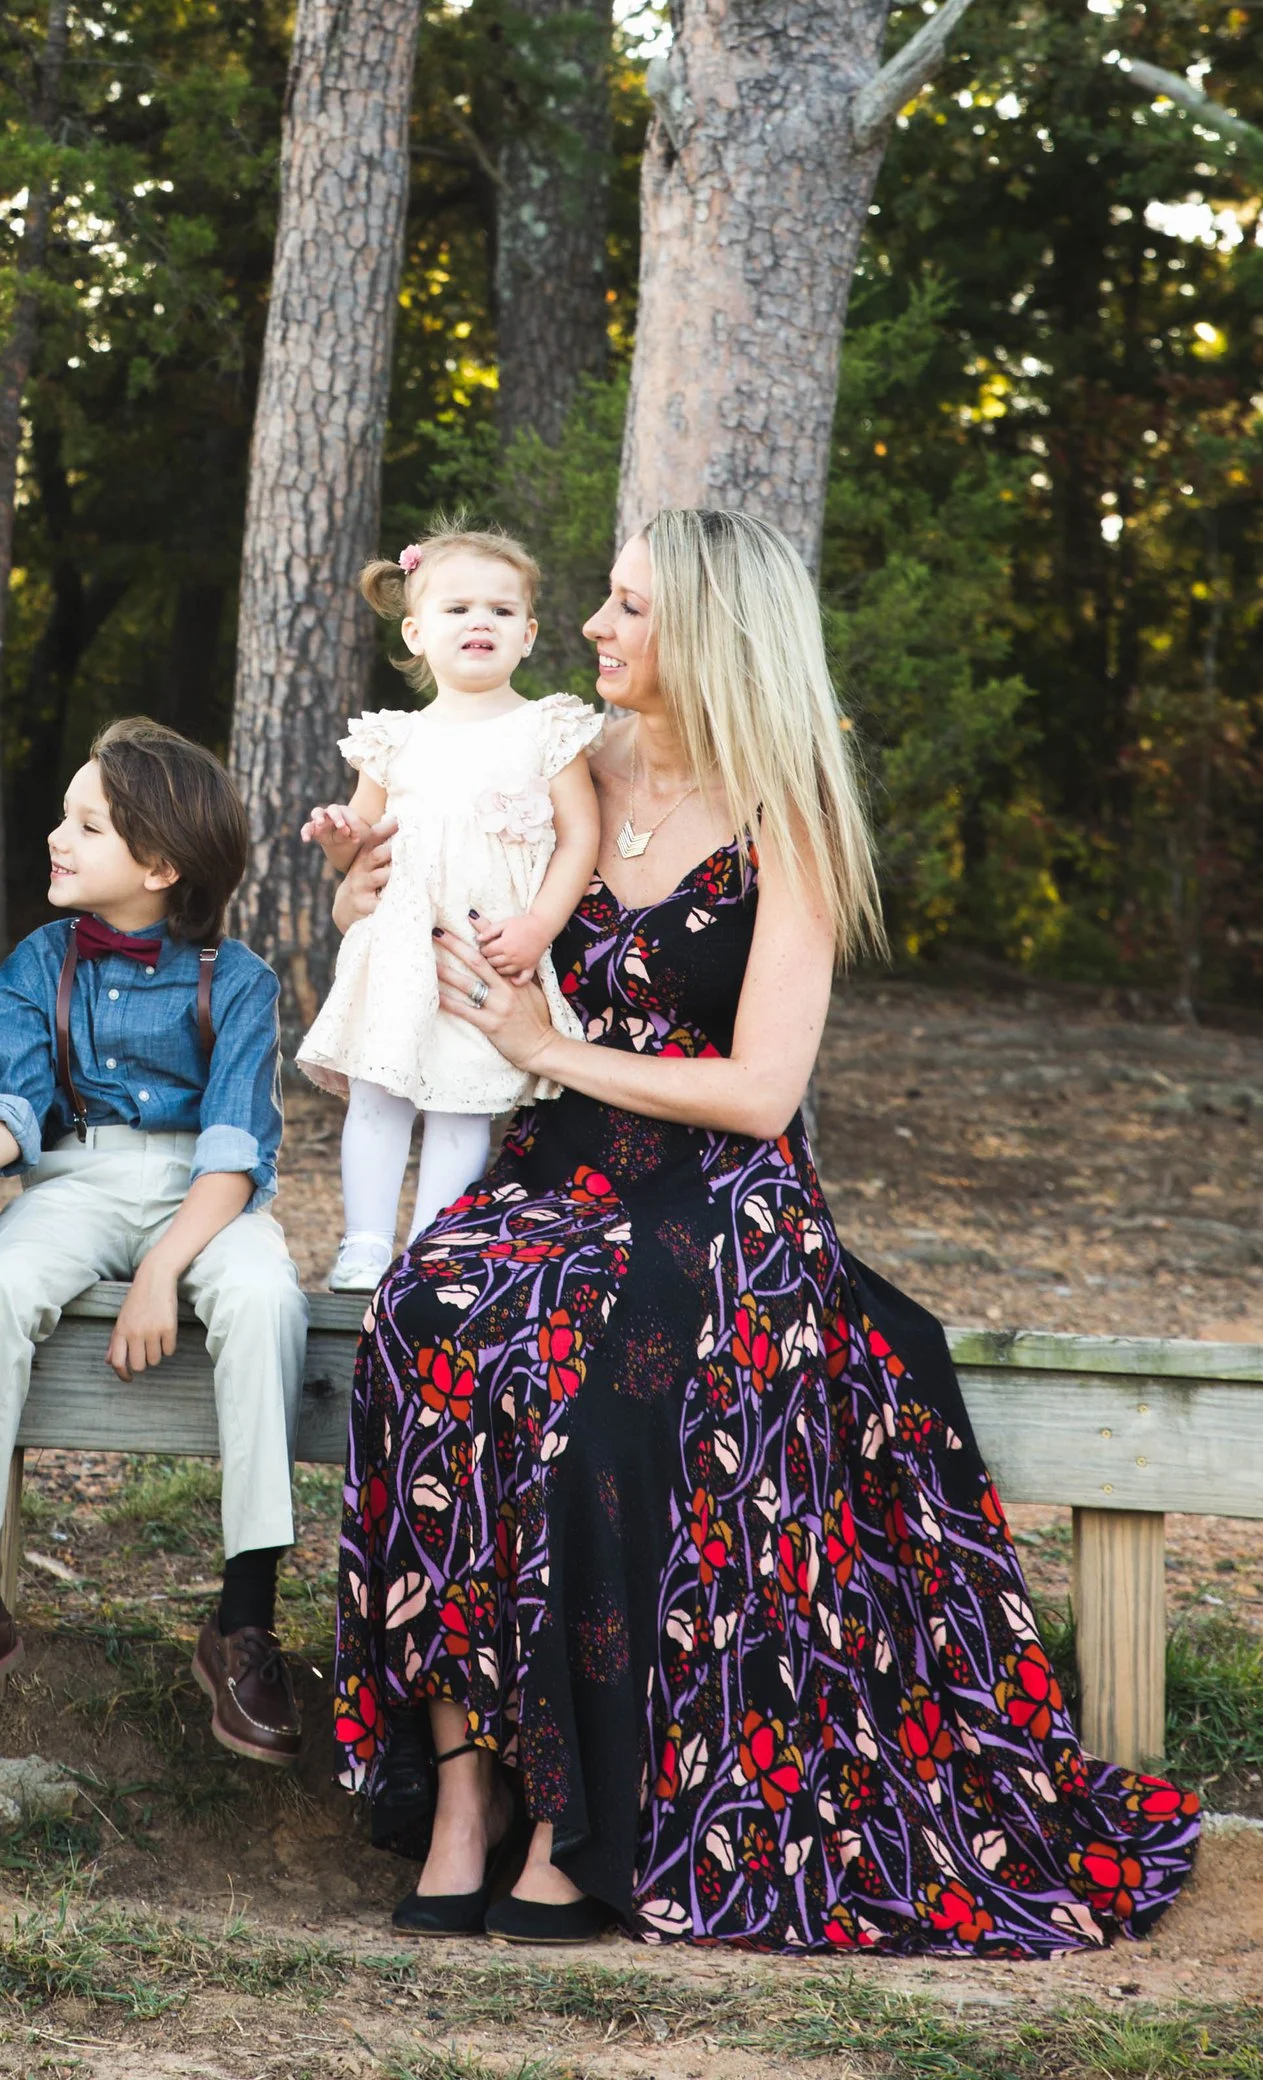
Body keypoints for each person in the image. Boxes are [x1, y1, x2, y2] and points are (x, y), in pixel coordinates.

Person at [334, 508, 1200, 1955]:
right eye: (604, 604)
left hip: (722, 1196)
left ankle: (575, 1814)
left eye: (626, 610)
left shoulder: (785, 811)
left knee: (583, 1396)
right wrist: (359, 886)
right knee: (422, 1319)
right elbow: (424, 889)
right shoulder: (565, 762)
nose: (596, 631)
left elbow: (758, 1091)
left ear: (712, 642)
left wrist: (551, 1052)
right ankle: (461, 1797)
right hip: (564, 1172)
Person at [0, 722, 309, 1763]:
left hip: (207, 1195)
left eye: (86, 825)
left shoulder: (235, 979)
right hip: (75, 1180)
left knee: (265, 1300)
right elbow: (18, 1113)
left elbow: (238, 1150)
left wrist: (164, 1269)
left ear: (160, 866)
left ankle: (244, 1620)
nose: (56, 839)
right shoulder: (37, 963)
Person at [298, 526, 601, 1293]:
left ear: (528, 635)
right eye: (458, 606)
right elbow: (365, 848)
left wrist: (539, 927)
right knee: (380, 1091)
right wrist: (342, 845)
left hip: (482, 950)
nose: (480, 622)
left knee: (462, 1103)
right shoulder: (393, 739)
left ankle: (431, 1246)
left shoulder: (546, 727)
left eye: (501, 611)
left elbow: (580, 838)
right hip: (403, 949)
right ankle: (365, 1242)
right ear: (416, 632)